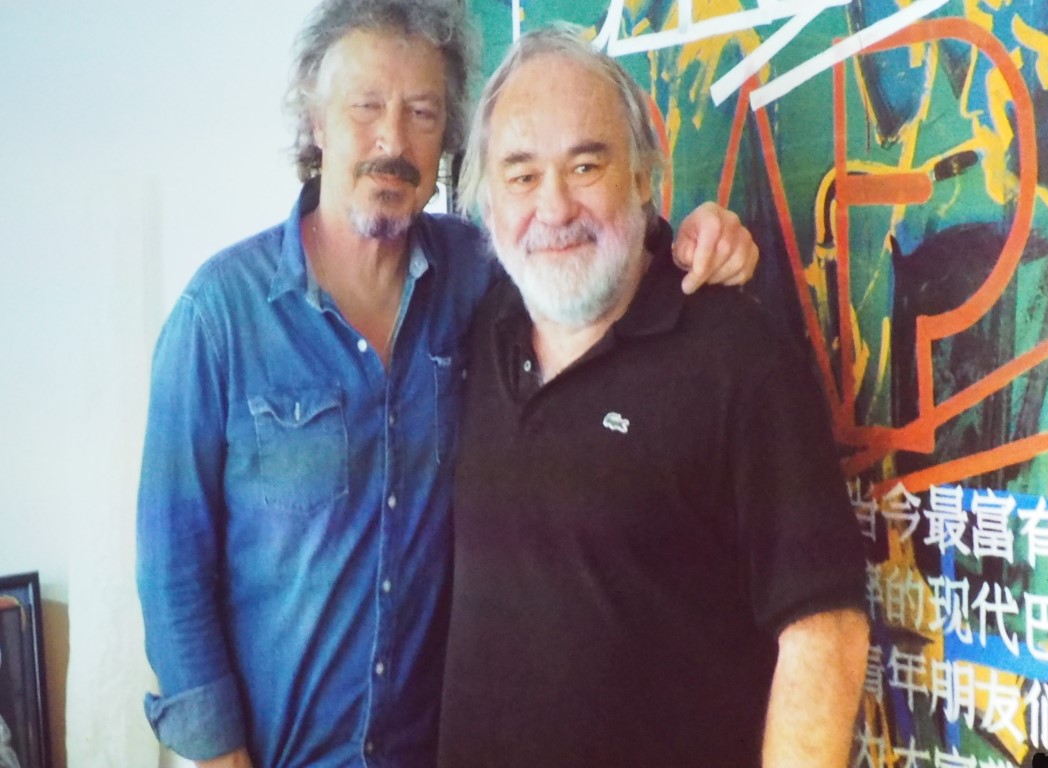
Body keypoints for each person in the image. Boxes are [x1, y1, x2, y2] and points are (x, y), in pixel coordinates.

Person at [134, 2, 758, 767]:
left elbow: (586, 249)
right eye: (366, 107)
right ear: (316, 122)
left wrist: (691, 235)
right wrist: (217, 753)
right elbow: (172, 566)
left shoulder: (481, 279)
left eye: (423, 113)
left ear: (451, 141)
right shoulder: (220, 316)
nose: (393, 141)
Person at [438, 23, 870, 768]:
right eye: (521, 176)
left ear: (643, 176)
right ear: (485, 202)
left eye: (586, 165)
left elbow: (824, 635)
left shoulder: (739, 359)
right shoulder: (475, 331)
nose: (554, 208)